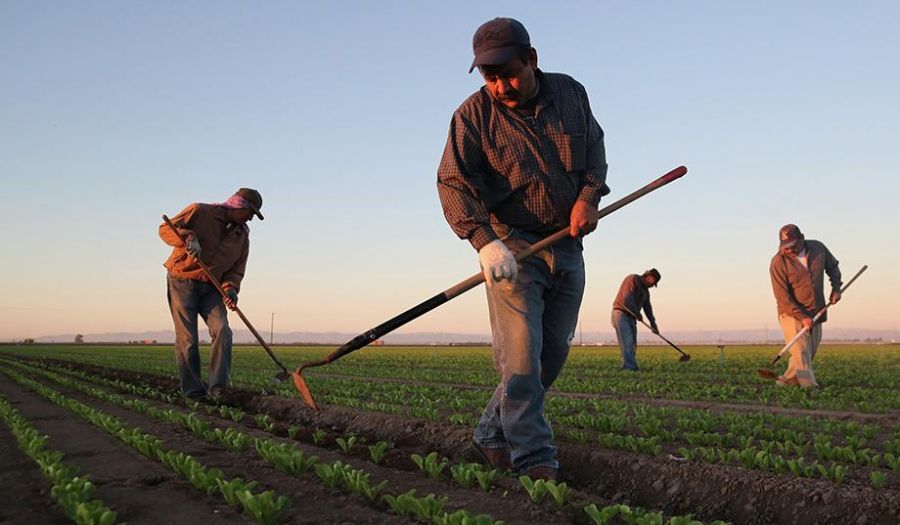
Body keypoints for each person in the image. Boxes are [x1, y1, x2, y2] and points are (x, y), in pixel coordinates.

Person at [437, 17, 609, 481]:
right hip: (511, 246)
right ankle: (533, 457)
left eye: (509, 74)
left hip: (567, 242)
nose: (500, 87)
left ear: (531, 60)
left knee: (551, 355)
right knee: (521, 355)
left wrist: (588, 198)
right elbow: (451, 181)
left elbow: (594, 152)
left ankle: (491, 433)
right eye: (490, 77)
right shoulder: (473, 116)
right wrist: (485, 242)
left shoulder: (571, 94)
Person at [159, 188, 264, 400]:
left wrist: (230, 289)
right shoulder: (200, 211)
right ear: (238, 206)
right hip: (182, 279)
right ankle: (193, 393)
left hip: (212, 286)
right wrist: (188, 237)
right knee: (188, 338)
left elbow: (235, 270)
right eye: (250, 212)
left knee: (223, 330)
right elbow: (165, 229)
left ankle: (218, 388)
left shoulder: (242, 237)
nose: (250, 218)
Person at [769, 224, 841, 387]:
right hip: (791, 313)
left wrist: (836, 288)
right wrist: (802, 317)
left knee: (808, 353)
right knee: (801, 351)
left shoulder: (818, 248)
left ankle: (786, 382)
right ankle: (809, 387)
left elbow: (833, 267)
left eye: (792, 246)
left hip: (816, 310)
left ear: (802, 238)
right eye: (785, 247)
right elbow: (782, 297)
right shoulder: (778, 262)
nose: (789, 250)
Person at [611, 269, 661, 371]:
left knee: (632, 343)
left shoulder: (645, 292)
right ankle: (630, 367)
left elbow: (648, 308)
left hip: (632, 317)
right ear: (650, 278)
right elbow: (627, 299)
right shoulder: (632, 279)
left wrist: (653, 324)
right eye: (653, 283)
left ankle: (627, 366)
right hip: (621, 314)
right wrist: (637, 313)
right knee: (628, 342)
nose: (652, 286)